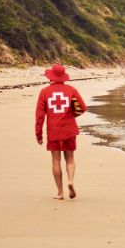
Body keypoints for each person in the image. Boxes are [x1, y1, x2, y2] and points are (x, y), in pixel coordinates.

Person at [35, 63, 86, 200]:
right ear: (63, 77)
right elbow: (83, 107)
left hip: (54, 131)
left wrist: (38, 134)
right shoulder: (71, 89)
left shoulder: (44, 92)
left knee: (56, 161)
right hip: (69, 129)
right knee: (70, 159)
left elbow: (39, 116)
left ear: (51, 77)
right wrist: (72, 115)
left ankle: (60, 192)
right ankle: (70, 181)